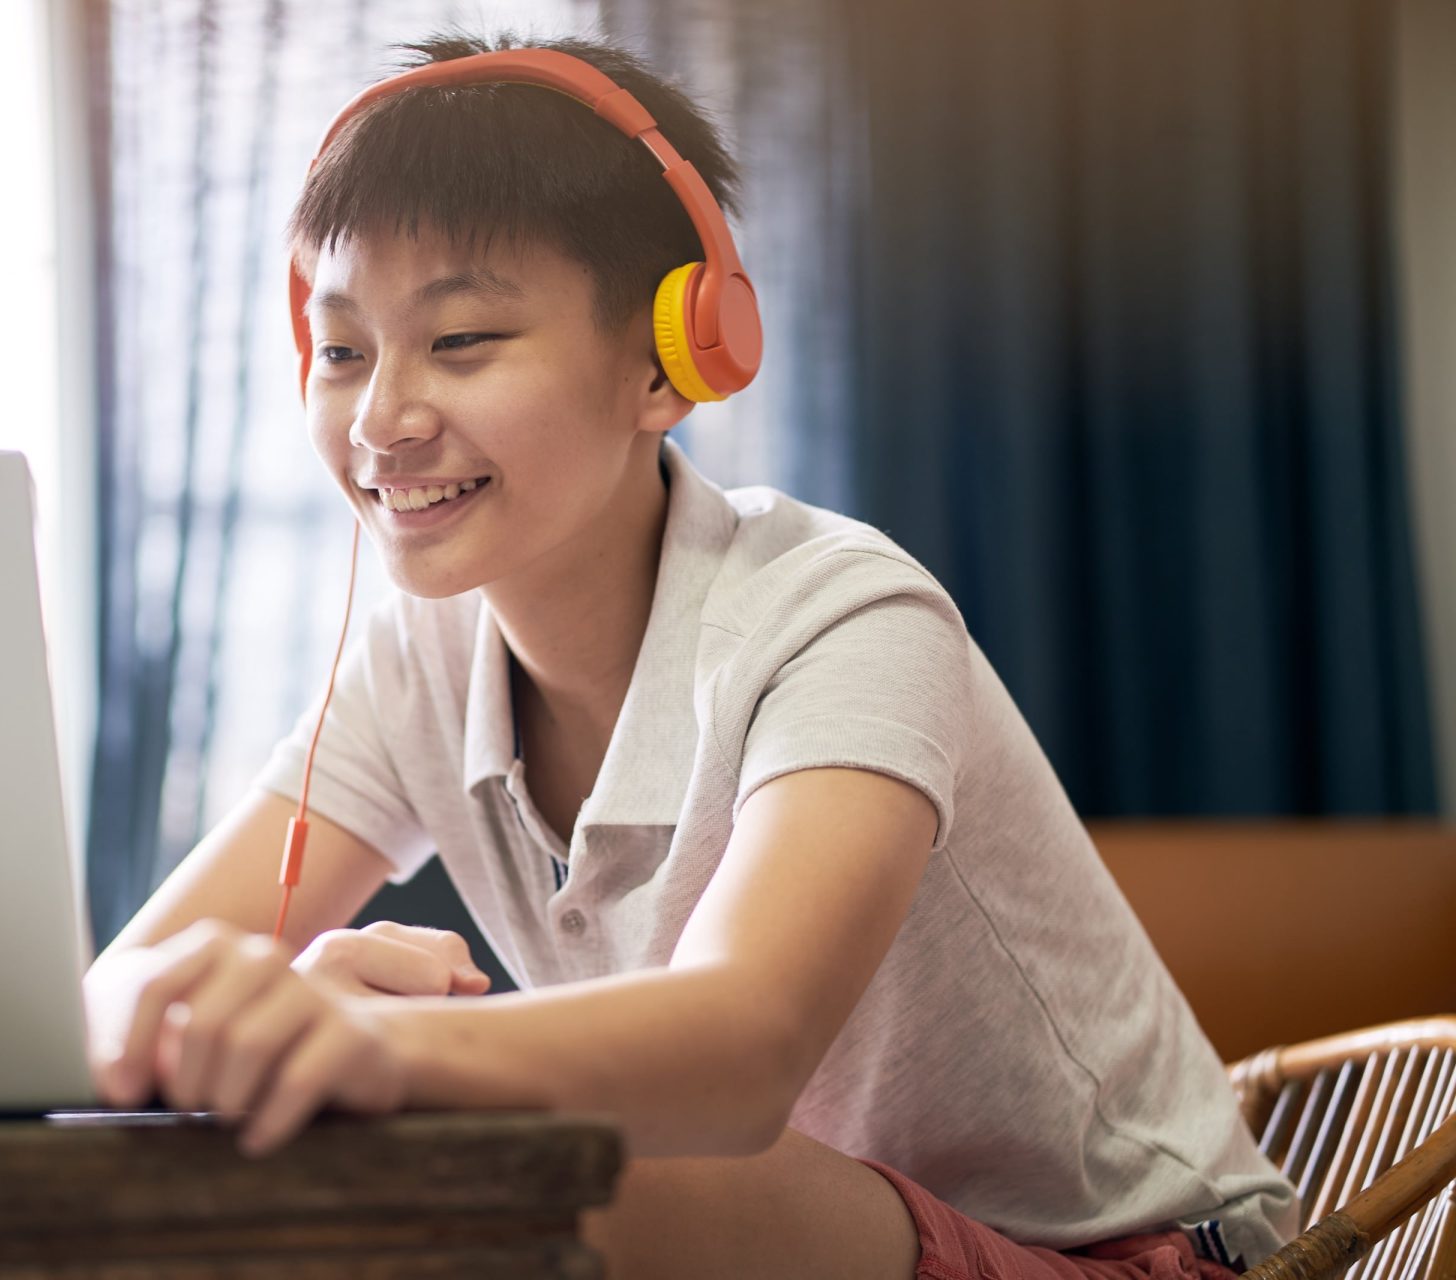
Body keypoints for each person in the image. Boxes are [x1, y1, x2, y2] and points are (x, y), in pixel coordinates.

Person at [80, 29, 1299, 1280]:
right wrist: (252, 1014)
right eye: (343, 350)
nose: (380, 419)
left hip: (1140, 1255)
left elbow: (741, 1050)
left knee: (569, 1163)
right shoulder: (419, 659)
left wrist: (371, 1050)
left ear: (671, 362)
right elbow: (115, 996)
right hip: (828, 1241)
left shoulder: (842, 613)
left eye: (462, 340)